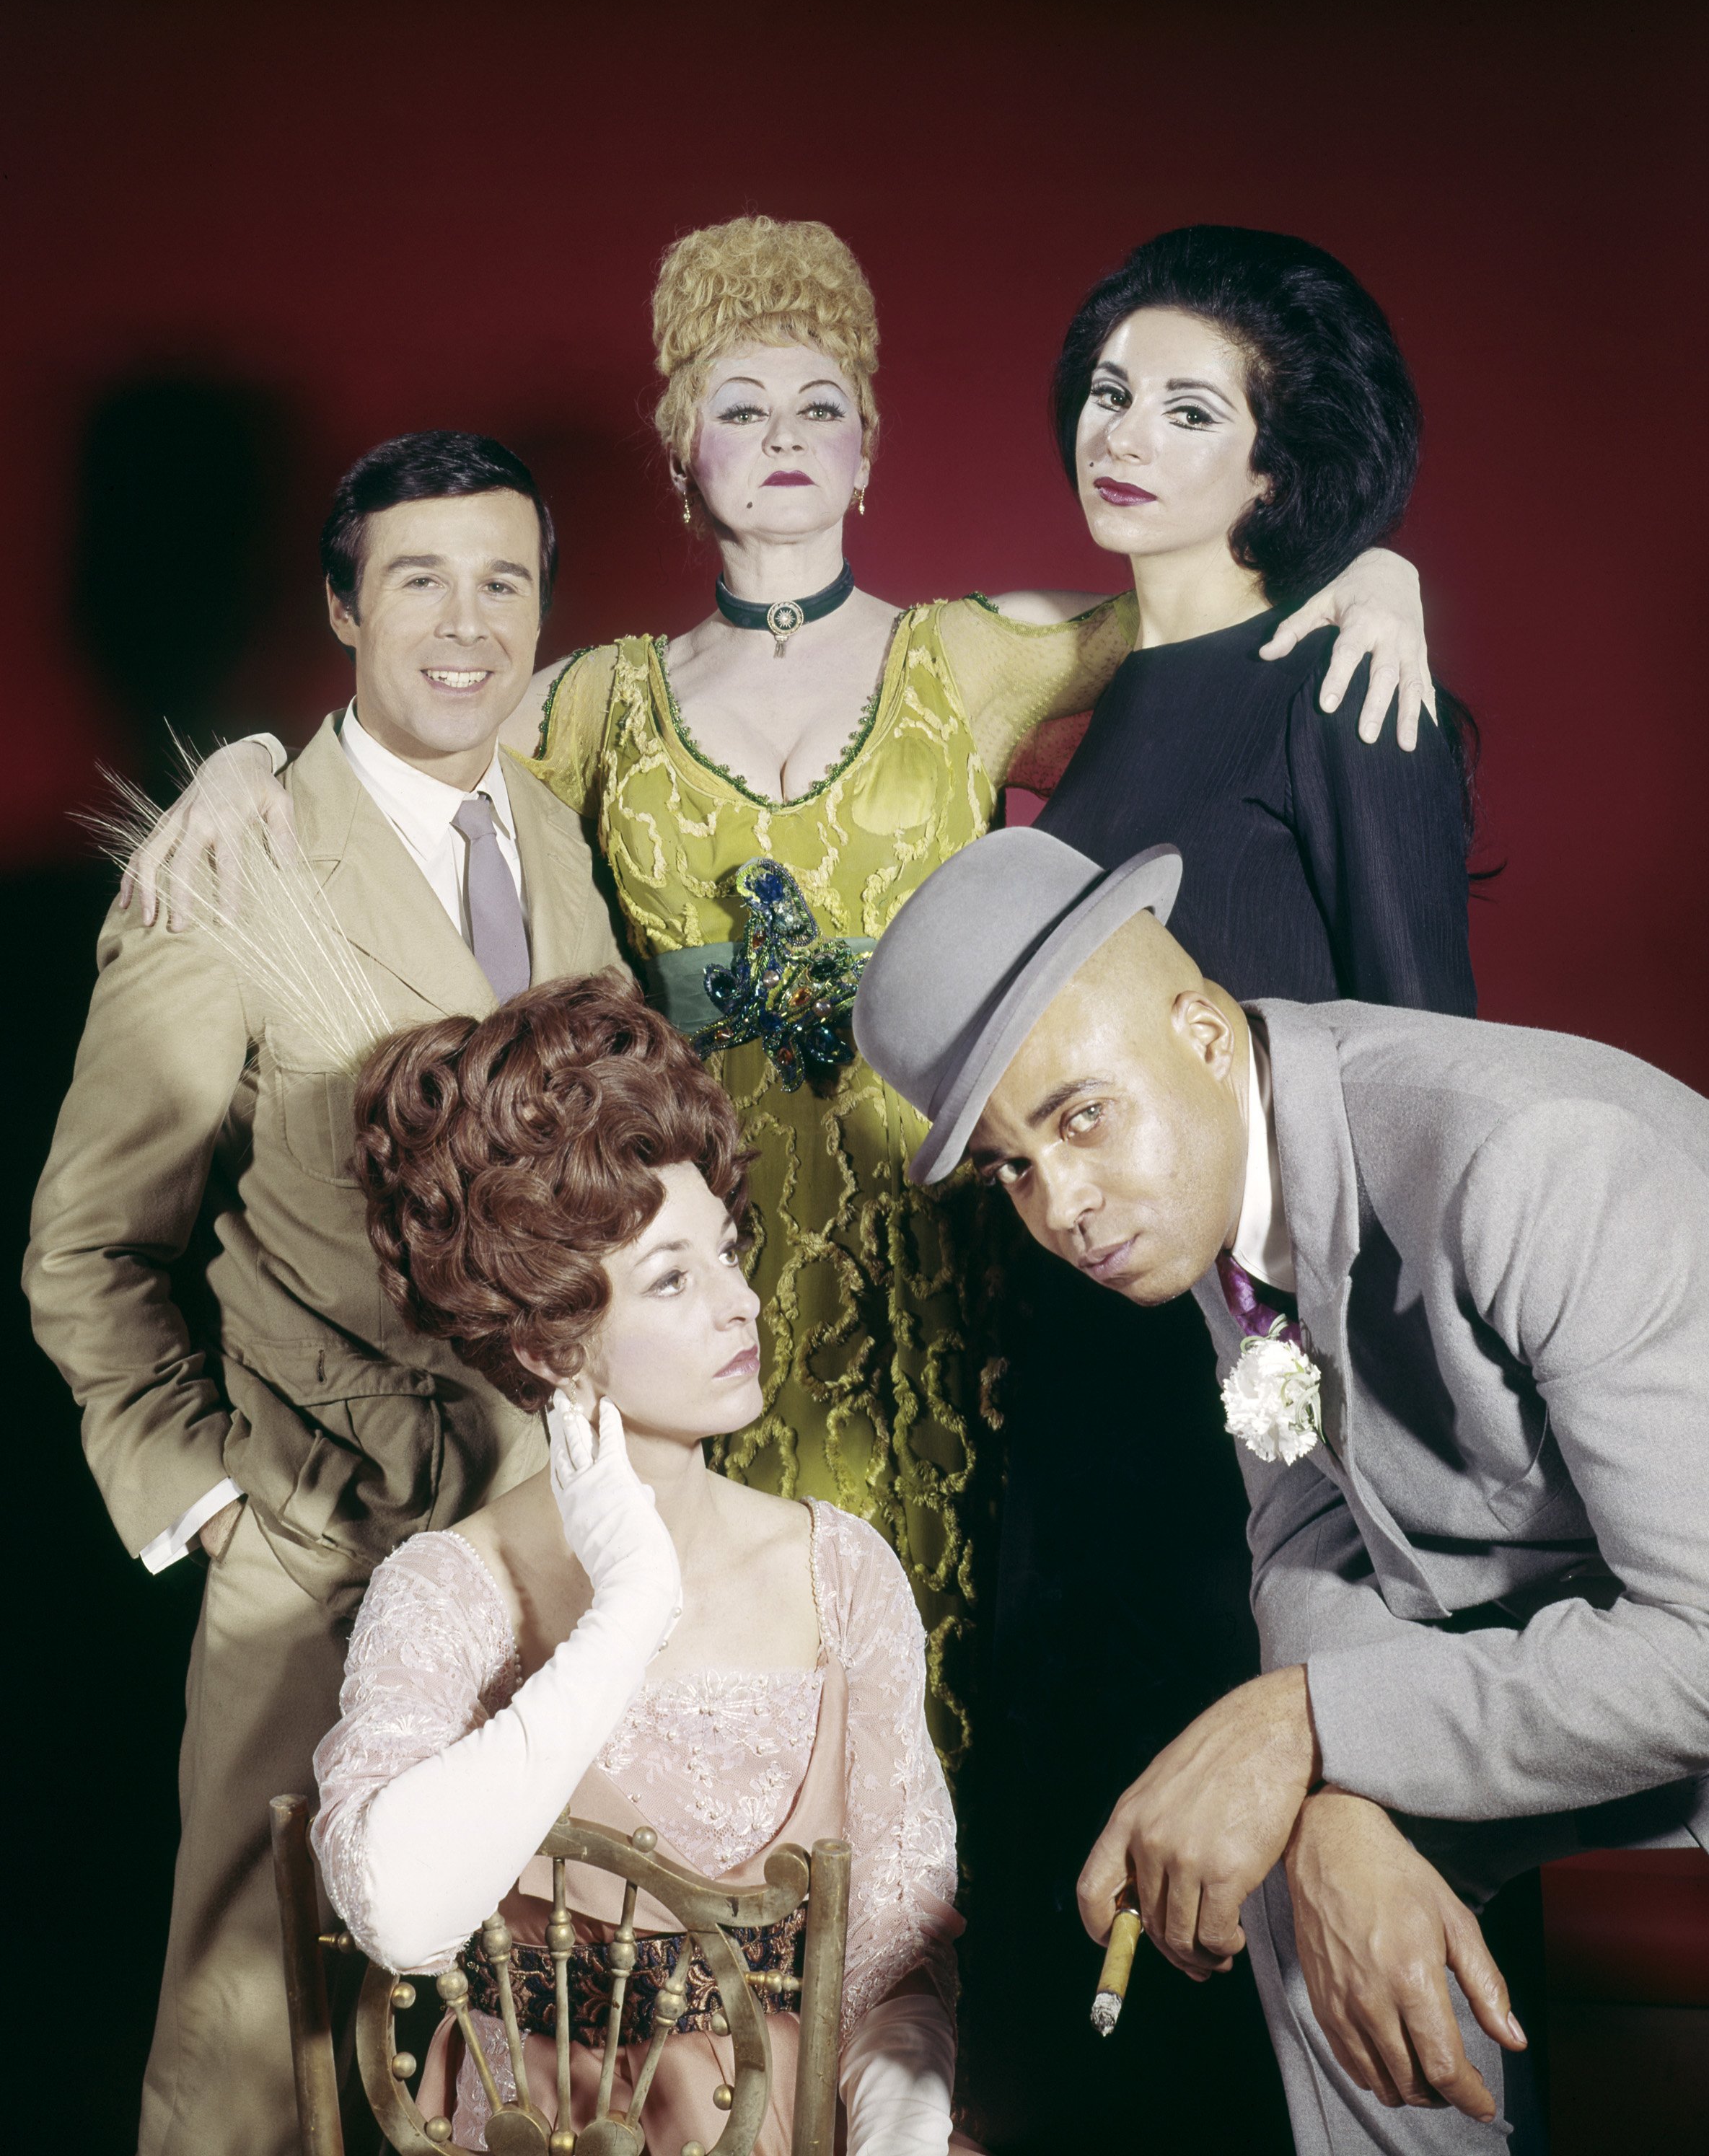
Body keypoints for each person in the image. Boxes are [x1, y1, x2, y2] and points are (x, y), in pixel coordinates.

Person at [123, 216, 1438, 1766]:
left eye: (820, 405)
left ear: (870, 451)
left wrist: (1382, 572)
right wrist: (250, 766)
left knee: (962, 1665)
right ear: (684, 453)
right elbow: (405, 731)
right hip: (698, 1253)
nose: (783, 438)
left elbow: (1215, 603)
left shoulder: (971, 659)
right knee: (716, 1666)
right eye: (740, 407)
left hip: (958, 1243)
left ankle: (926, 1990)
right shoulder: (596, 698)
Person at [851, 823, 1709, 2156]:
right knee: (1305, 1876)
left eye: (1080, 1117)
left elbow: (1705, 1656)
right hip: (1560, 1643)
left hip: (1682, 1648)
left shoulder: (1529, 1161)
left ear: (1198, 1033)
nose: (1062, 1206)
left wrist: (1309, 1721)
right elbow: (1307, 1517)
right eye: (1013, 1167)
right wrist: (1335, 1797)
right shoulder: (1208, 1185)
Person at [24, 432, 623, 2156]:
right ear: (341, 608)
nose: (466, 624)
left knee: (516, 2066)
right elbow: (85, 1245)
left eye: (503, 582)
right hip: (321, 1564)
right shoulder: (237, 861)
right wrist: (211, 1499)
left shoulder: (558, 838)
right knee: (253, 2064)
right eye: (418, 578)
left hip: (550, 1557)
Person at [975, 224, 1480, 2150]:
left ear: (1270, 469)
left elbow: (1423, 1073)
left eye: (1191, 408)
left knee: (1239, 1913)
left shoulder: (1341, 678)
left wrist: (1324, 1430)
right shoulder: (1104, 694)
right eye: (1111, 388)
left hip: (1255, 1396)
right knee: (1086, 1906)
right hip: (1073, 1375)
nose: (1126, 431)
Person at [315, 972, 967, 2155]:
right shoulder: (448, 1590)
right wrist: (628, 1614)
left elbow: (895, 1988)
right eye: (674, 1278)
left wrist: (899, 2142)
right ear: (547, 1337)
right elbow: (397, 1911)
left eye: (725, 1250)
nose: (742, 1303)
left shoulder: (844, 1572)